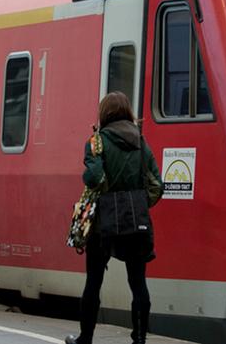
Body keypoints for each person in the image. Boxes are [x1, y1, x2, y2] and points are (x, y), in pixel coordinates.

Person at [66, 91, 163, 344]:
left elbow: (95, 178)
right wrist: (139, 203)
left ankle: (85, 338)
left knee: (94, 282)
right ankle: (139, 339)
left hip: (102, 225)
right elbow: (157, 186)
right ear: (127, 113)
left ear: (105, 114)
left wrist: (94, 177)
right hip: (135, 221)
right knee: (138, 282)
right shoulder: (141, 142)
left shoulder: (97, 142)